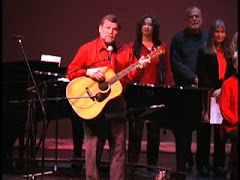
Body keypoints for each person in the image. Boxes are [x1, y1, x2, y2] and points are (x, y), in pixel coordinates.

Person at [66, 14, 150, 180]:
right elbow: (70, 73)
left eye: (114, 29)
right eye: (107, 28)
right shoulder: (87, 49)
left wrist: (140, 67)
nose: (110, 32)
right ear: (100, 29)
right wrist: (87, 72)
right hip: (93, 104)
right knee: (93, 146)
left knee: (118, 146)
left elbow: (131, 76)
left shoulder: (125, 50)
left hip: (116, 104)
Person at [127, 14, 173, 168]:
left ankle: (151, 166)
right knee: (135, 131)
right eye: (144, 24)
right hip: (137, 93)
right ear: (140, 28)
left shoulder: (161, 48)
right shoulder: (133, 47)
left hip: (156, 93)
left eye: (150, 24)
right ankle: (132, 164)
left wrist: (167, 93)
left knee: (154, 132)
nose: (147, 27)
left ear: (154, 28)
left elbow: (166, 71)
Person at [169, 6, 208, 171]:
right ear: (186, 20)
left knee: (204, 128)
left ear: (201, 19)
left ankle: (203, 163)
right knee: (184, 129)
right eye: (191, 17)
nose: (194, 19)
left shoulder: (208, 38)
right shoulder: (178, 39)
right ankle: (186, 160)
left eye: (197, 16)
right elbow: (176, 64)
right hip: (185, 90)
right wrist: (194, 78)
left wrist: (204, 79)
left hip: (204, 90)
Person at [196, 19, 234, 177]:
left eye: (223, 31)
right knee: (204, 132)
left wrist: (223, 90)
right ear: (212, 33)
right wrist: (214, 90)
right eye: (217, 31)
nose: (220, 35)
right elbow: (202, 73)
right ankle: (202, 164)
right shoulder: (204, 51)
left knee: (220, 133)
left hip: (223, 96)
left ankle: (219, 164)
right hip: (207, 94)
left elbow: (231, 75)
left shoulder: (229, 54)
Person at [219, 51, 238, 180]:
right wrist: (236, 121)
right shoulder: (228, 83)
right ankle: (232, 170)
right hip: (231, 125)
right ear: (235, 65)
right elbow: (224, 108)